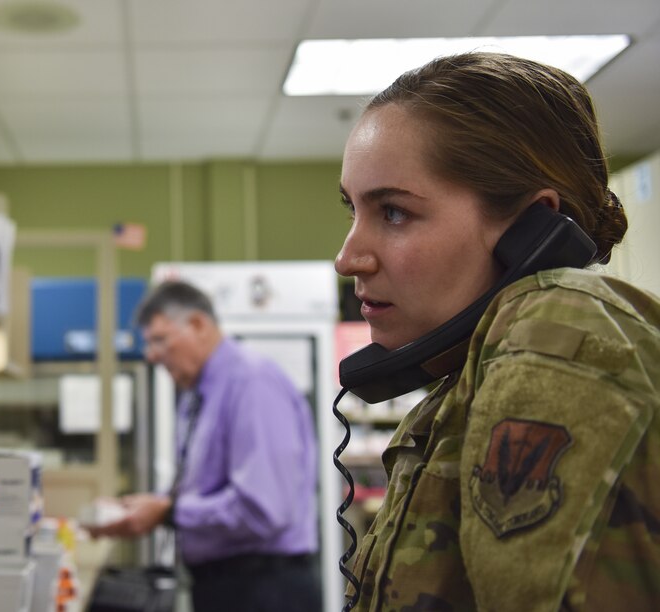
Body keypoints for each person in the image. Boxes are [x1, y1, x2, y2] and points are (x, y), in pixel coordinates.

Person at [335, 51, 660, 611]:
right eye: (353, 212)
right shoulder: (463, 381)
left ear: (531, 227)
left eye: (392, 213)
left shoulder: (557, 329)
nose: (347, 258)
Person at [87, 280, 321, 612]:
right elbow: (205, 487)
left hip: (264, 589)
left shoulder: (252, 383)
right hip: (226, 586)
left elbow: (264, 509)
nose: (151, 355)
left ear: (198, 325)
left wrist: (168, 512)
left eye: (160, 340)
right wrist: (153, 506)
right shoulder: (197, 395)